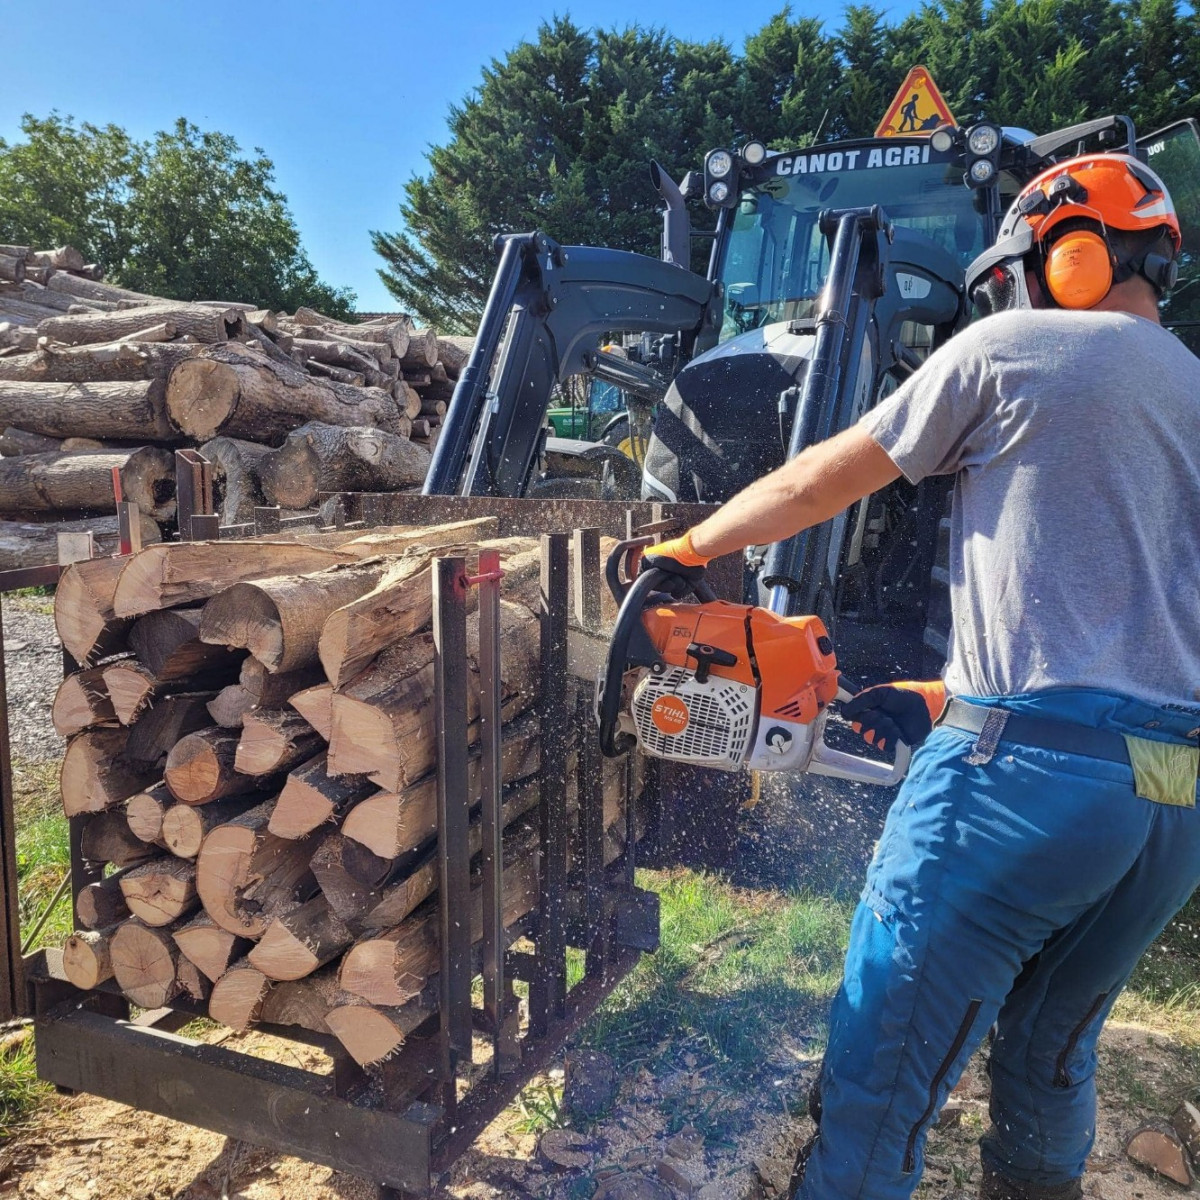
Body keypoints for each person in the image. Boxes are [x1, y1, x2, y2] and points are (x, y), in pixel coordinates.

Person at [640, 152, 1199, 1200]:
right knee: (1047, 1050)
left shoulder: (1009, 348)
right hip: (1170, 797)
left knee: (883, 1067)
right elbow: (1145, 627)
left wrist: (690, 550)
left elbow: (821, 475)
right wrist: (948, 695)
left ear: (1067, 255)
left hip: (1018, 782)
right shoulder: (1194, 392)